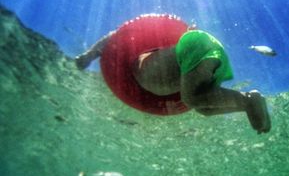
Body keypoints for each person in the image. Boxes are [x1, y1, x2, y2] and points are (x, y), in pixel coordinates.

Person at [75, 28, 271, 134]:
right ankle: (248, 106)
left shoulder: (132, 50)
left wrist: (89, 55)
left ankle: (249, 99)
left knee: (192, 99)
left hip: (196, 50)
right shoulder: (140, 75)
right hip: (202, 60)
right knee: (204, 108)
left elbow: (114, 37)